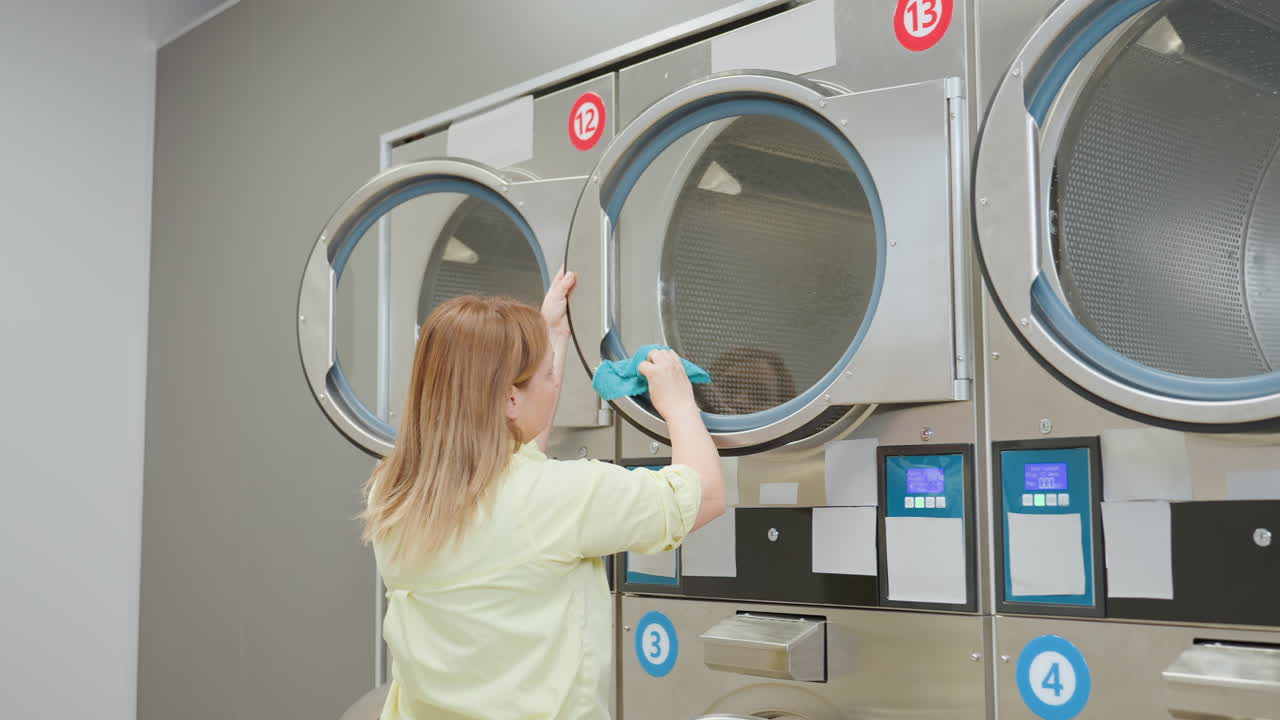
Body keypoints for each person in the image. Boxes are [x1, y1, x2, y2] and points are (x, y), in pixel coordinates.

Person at [360, 267, 726, 720]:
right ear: (511, 400)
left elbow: (514, 463)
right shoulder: (559, 497)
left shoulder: (394, 489)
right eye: (549, 374)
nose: (556, 382)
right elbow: (705, 495)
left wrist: (549, 330)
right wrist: (677, 403)